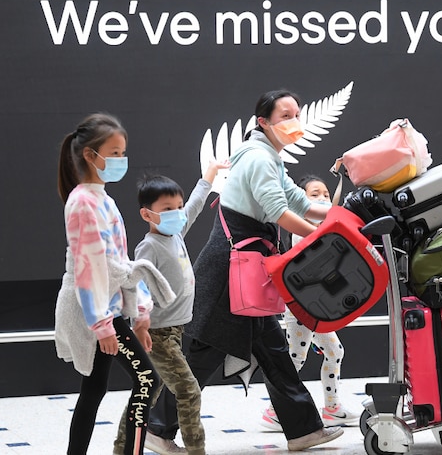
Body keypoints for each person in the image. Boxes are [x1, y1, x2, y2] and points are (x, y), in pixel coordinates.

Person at [148, 90, 344, 452]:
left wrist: (339, 219)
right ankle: (158, 429)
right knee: (204, 353)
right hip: (229, 273)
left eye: (296, 114)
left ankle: (303, 430)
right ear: (263, 122)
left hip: (245, 271)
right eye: (285, 115)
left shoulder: (268, 156)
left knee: (273, 352)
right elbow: (279, 212)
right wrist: (325, 236)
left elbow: (300, 202)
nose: (294, 121)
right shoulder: (258, 158)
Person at [54, 112, 177, 455]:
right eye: (114, 152)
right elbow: (88, 268)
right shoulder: (82, 202)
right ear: (90, 156)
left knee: (94, 388)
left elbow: (120, 263)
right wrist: (103, 324)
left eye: (123, 152)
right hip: (94, 310)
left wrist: (139, 313)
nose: (121, 160)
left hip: (107, 308)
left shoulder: (102, 199)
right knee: (146, 380)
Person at [113, 159, 227, 455]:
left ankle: (122, 447)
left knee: (146, 392)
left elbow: (195, 205)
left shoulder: (176, 232)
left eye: (177, 206)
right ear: (146, 214)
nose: (176, 213)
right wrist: (141, 323)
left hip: (174, 331)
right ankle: (195, 450)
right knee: (188, 391)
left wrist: (210, 176)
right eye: (167, 209)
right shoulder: (149, 246)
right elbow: (137, 285)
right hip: (158, 334)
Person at [260, 174, 360, 431]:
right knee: (295, 359)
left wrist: (340, 179)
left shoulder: (320, 226)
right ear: (299, 201)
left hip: (315, 306)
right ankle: (275, 412)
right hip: (300, 308)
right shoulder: (301, 230)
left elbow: (334, 211)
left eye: (325, 194)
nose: (323, 199)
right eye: (314, 195)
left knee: (333, 352)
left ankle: (332, 408)